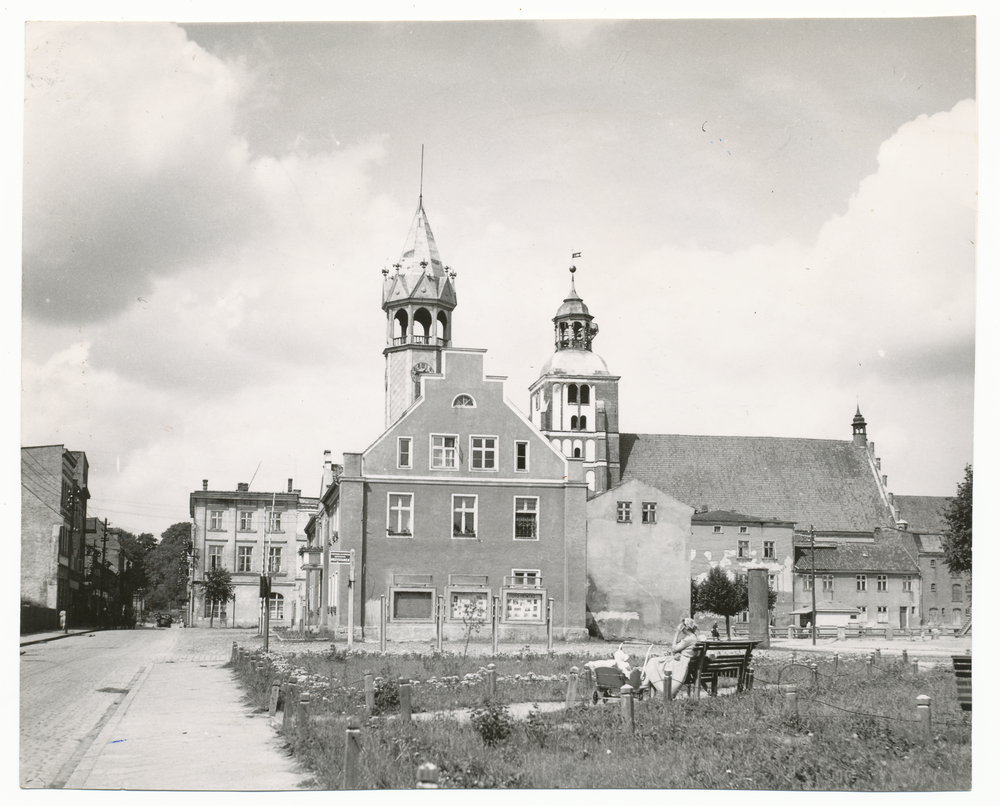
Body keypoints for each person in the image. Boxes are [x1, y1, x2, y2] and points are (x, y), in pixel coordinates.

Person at [641, 618, 701, 697]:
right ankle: (645, 683)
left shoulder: (688, 639)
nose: (680, 628)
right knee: (655, 661)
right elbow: (686, 650)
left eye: (682, 626)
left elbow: (673, 649)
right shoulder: (694, 637)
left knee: (653, 661)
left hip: (682, 663)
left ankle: (645, 684)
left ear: (686, 627)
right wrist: (678, 653)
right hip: (687, 662)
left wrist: (676, 633)